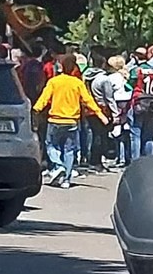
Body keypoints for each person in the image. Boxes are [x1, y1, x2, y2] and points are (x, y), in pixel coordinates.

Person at [32, 53, 108, 188]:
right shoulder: (77, 83)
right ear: (74, 67)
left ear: (61, 66)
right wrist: (100, 114)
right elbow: (88, 100)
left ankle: (58, 166)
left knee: (51, 145)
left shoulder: (54, 82)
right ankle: (66, 179)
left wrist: (36, 110)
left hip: (55, 120)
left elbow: (44, 98)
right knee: (69, 150)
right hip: (72, 121)